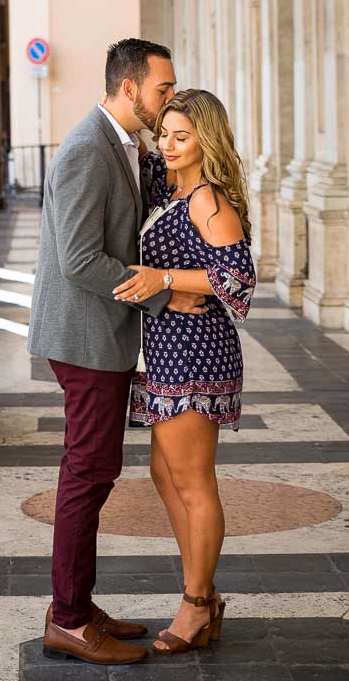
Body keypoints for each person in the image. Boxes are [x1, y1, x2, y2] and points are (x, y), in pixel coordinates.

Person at [28, 40, 207, 667]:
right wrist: (159, 294)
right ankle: (70, 620)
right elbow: (79, 260)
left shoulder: (119, 145)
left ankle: (75, 605)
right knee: (88, 473)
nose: (168, 100)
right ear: (129, 89)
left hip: (98, 333)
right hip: (84, 337)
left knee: (93, 470)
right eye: (162, 89)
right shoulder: (85, 149)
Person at [113, 89, 256, 654]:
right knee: (165, 477)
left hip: (197, 351)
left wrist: (165, 280)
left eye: (182, 136)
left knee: (194, 483)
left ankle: (196, 604)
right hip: (167, 348)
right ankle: (205, 592)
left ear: (206, 140)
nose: (168, 145)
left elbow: (238, 282)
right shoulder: (166, 183)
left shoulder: (206, 198)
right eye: (164, 134)